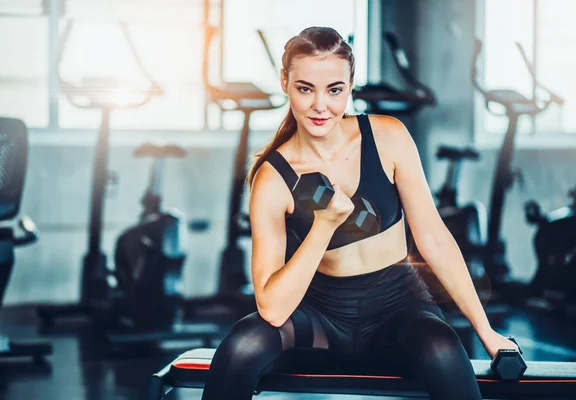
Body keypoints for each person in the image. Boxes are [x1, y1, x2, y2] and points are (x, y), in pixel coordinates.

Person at [201, 26, 518, 400]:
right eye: (305, 88)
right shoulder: (273, 178)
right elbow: (271, 307)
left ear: (350, 86)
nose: (321, 105)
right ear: (285, 82)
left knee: (443, 349)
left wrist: (487, 332)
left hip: (399, 308)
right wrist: (324, 226)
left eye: (334, 90)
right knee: (241, 346)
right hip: (317, 317)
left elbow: (434, 239)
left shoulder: (388, 137)